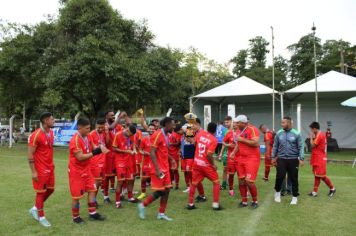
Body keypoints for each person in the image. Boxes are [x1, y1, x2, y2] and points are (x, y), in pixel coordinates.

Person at [68, 118, 107, 224]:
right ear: (79, 127)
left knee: (92, 190)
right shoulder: (75, 140)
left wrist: (100, 147)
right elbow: (80, 157)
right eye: (87, 128)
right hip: (76, 171)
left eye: (90, 128)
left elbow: (94, 146)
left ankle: (92, 213)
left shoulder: (88, 136)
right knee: (77, 196)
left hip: (87, 169)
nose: (89, 130)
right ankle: (76, 217)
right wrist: (95, 153)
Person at [137, 117, 176, 221]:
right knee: (161, 191)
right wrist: (158, 169)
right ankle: (142, 205)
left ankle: (161, 213)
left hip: (165, 168)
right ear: (167, 124)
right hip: (158, 169)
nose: (174, 126)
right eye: (172, 124)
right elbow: (152, 152)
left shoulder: (166, 134)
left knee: (167, 190)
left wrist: (172, 159)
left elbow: (163, 151)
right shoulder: (157, 134)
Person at [27, 112, 55, 227]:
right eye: (52, 119)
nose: (54, 121)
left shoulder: (51, 132)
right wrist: (33, 171)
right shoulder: (36, 135)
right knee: (40, 192)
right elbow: (30, 154)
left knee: (51, 190)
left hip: (50, 167)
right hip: (40, 169)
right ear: (45, 121)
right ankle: (41, 217)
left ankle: (35, 208)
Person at [187, 122, 222, 211]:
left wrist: (189, 128)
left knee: (194, 183)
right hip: (206, 165)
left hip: (197, 163)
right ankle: (215, 204)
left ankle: (190, 204)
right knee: (216, 182)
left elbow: (193, 142)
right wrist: (213, 165)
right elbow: (209, 154)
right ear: (215, 130)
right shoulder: (214, 140)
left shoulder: (201, 134)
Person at [272, 116, 304, 205]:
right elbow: (275, 146)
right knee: (279, 177)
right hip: (281, 159)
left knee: (294, 178)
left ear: (289, 123)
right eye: (281, 122)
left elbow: (301, 147)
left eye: (283, 123)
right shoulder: (279, 133)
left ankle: (294, 197)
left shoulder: (296, 133)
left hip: (293, 159)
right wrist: (273, 157)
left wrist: (301, 158)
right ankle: (277, 193)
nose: (281, 124)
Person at [230, 115, 261, 209]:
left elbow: (256, 143)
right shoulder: (238, 131)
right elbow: (238, 144)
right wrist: (233, 152)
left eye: (237, 122)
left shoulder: (252, 129)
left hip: (252, 158)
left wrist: (242, 139)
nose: (235, 124)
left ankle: (255, 201)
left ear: (243, 123)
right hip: (241, 158)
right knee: (241, 181)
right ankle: (244, 201)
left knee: (249, 182)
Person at [112, 125, 138, 208]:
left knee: (130, 179)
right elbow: (114, 148)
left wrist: (133, 149)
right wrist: (126, 151)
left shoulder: (131, 135)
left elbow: (133, 143)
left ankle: (130, 197)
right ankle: (118, 202)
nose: (131, 136)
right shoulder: (118, 135)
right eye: (130, 134)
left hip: (129, 160)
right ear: (127, 130)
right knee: (120, 181)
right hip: (120, 161)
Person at [308, 122, 336, 197]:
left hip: (320, 158)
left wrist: (310, 137)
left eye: (311, 129)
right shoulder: (319, 134)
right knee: (317, 175)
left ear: (314, 128)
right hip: (317, 157)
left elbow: (312, 145)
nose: (311, 130)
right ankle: (314, 192)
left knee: (321, 175)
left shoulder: (320, 135)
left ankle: (332, 188)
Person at [102, 110, 125, 203]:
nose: (113, 117)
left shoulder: (118, 127)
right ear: (106, 116)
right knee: (107, 176)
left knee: (120, 175)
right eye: (111, 115)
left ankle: (121, 194)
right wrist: (119, 117)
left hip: (118, 155)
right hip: (108, 155)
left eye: (114, 115)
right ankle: (106, 196)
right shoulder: (105, 125)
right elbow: (111, 128)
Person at [89, 119, 110, 206]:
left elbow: (107, 143)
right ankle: (92, 200)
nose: (101, 129)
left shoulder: (103, 133)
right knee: (96, 182)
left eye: (103, 127)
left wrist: (107, 132)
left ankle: (94, 199)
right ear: (96, 125)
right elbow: (91, 148)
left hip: (103, 160)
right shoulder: (91, 134)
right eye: (99, 127)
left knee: (100, 182)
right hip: (95, 161)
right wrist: (100, 147)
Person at [137, 124, 156, 200]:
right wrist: (144, 152)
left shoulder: (157, 139)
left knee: (155, 178)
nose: (151, 130)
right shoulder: (144, 139)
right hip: (146, 162)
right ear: (147, 129)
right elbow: (140, 150)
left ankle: (156, 193)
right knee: (143, 179)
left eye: (153, 129)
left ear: (155, 130)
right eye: (150, 128)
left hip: (155, 163)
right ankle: (143, 193)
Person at [222, 117, 238, 196]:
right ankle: (230, 189)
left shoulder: (241, 133)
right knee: (230, 173)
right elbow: (223, 142)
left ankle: (245, 191)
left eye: (236, 123)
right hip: (231, 158)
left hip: (240, 158)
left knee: (242, 176)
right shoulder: (228, 132)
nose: (234, 125)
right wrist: (228, 145)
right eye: (234, 123)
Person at [218, 116, 232, 190]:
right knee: (225, 169)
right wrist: (221, 153)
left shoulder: (235, 130)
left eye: (227, 122)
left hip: (234, 153)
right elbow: (224, 142)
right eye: (225, 122)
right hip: (226, 153)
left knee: (234, 170)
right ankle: (224, 185)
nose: (226, 124)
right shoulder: (225, 131)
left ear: (231, 121)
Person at [169, 124, 183, 190]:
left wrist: (171, 144)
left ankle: (177, 185)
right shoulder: (172, 133)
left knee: (175, 170)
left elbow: (178, 143)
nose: (182, 130)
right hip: (169, 154)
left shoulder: (180, 135)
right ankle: (170, 184)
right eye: (181, 129)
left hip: (175, 155)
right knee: (170, 170)